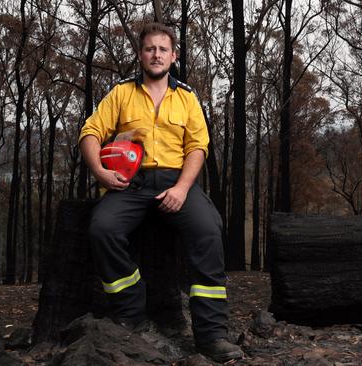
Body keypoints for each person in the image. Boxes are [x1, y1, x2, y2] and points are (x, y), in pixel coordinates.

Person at [78, 22, 244, 363]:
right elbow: (91, 132)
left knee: (209, 232)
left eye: (162, 49)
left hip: (176, 180)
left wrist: (183, 188)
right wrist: (100, 172)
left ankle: (212, 335)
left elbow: (198, 147)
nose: (156, 54)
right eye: (150, 48)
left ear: (173, 56)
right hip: (131, 183)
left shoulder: (187, 98)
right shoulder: (121, 93)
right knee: (102, 229)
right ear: (140, 55)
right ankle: (131, 313)